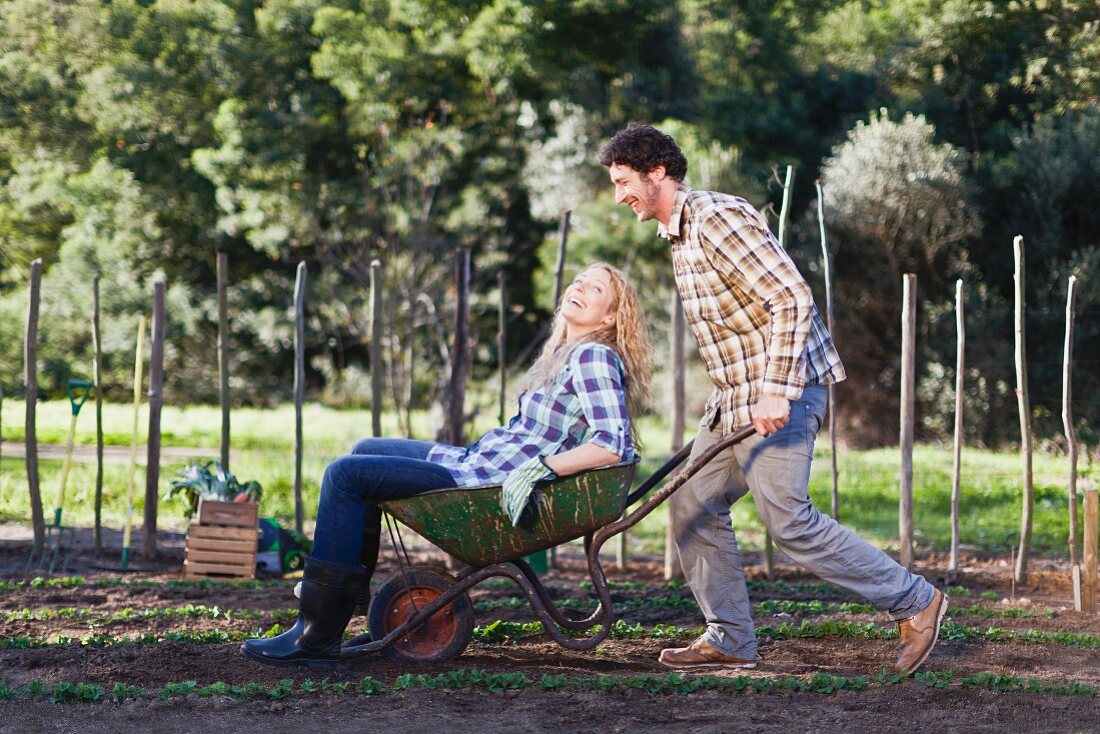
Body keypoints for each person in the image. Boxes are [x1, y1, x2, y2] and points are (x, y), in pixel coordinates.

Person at [599, 124, 947, 674]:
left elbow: (789, 295)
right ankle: (729, 637)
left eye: (624, 182)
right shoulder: (680, 235)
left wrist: (776, 389)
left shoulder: (715, 218)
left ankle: (917, 602)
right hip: (733, 400)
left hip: (780, 391)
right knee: (691, 506)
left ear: (658, 172)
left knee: (788, 521)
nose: (620, 196)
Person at [241, 263, 653, 668]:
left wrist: (541, 467)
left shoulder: (593, 356)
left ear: (612, 316)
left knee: (344, 475)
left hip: (482, 484)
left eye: (595, 289)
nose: (579, 287)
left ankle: (316, 636)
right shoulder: (565, 354)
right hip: (475, 464)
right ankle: (339, 606)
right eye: (579, 280)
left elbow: (612, 444)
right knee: (365, 448)